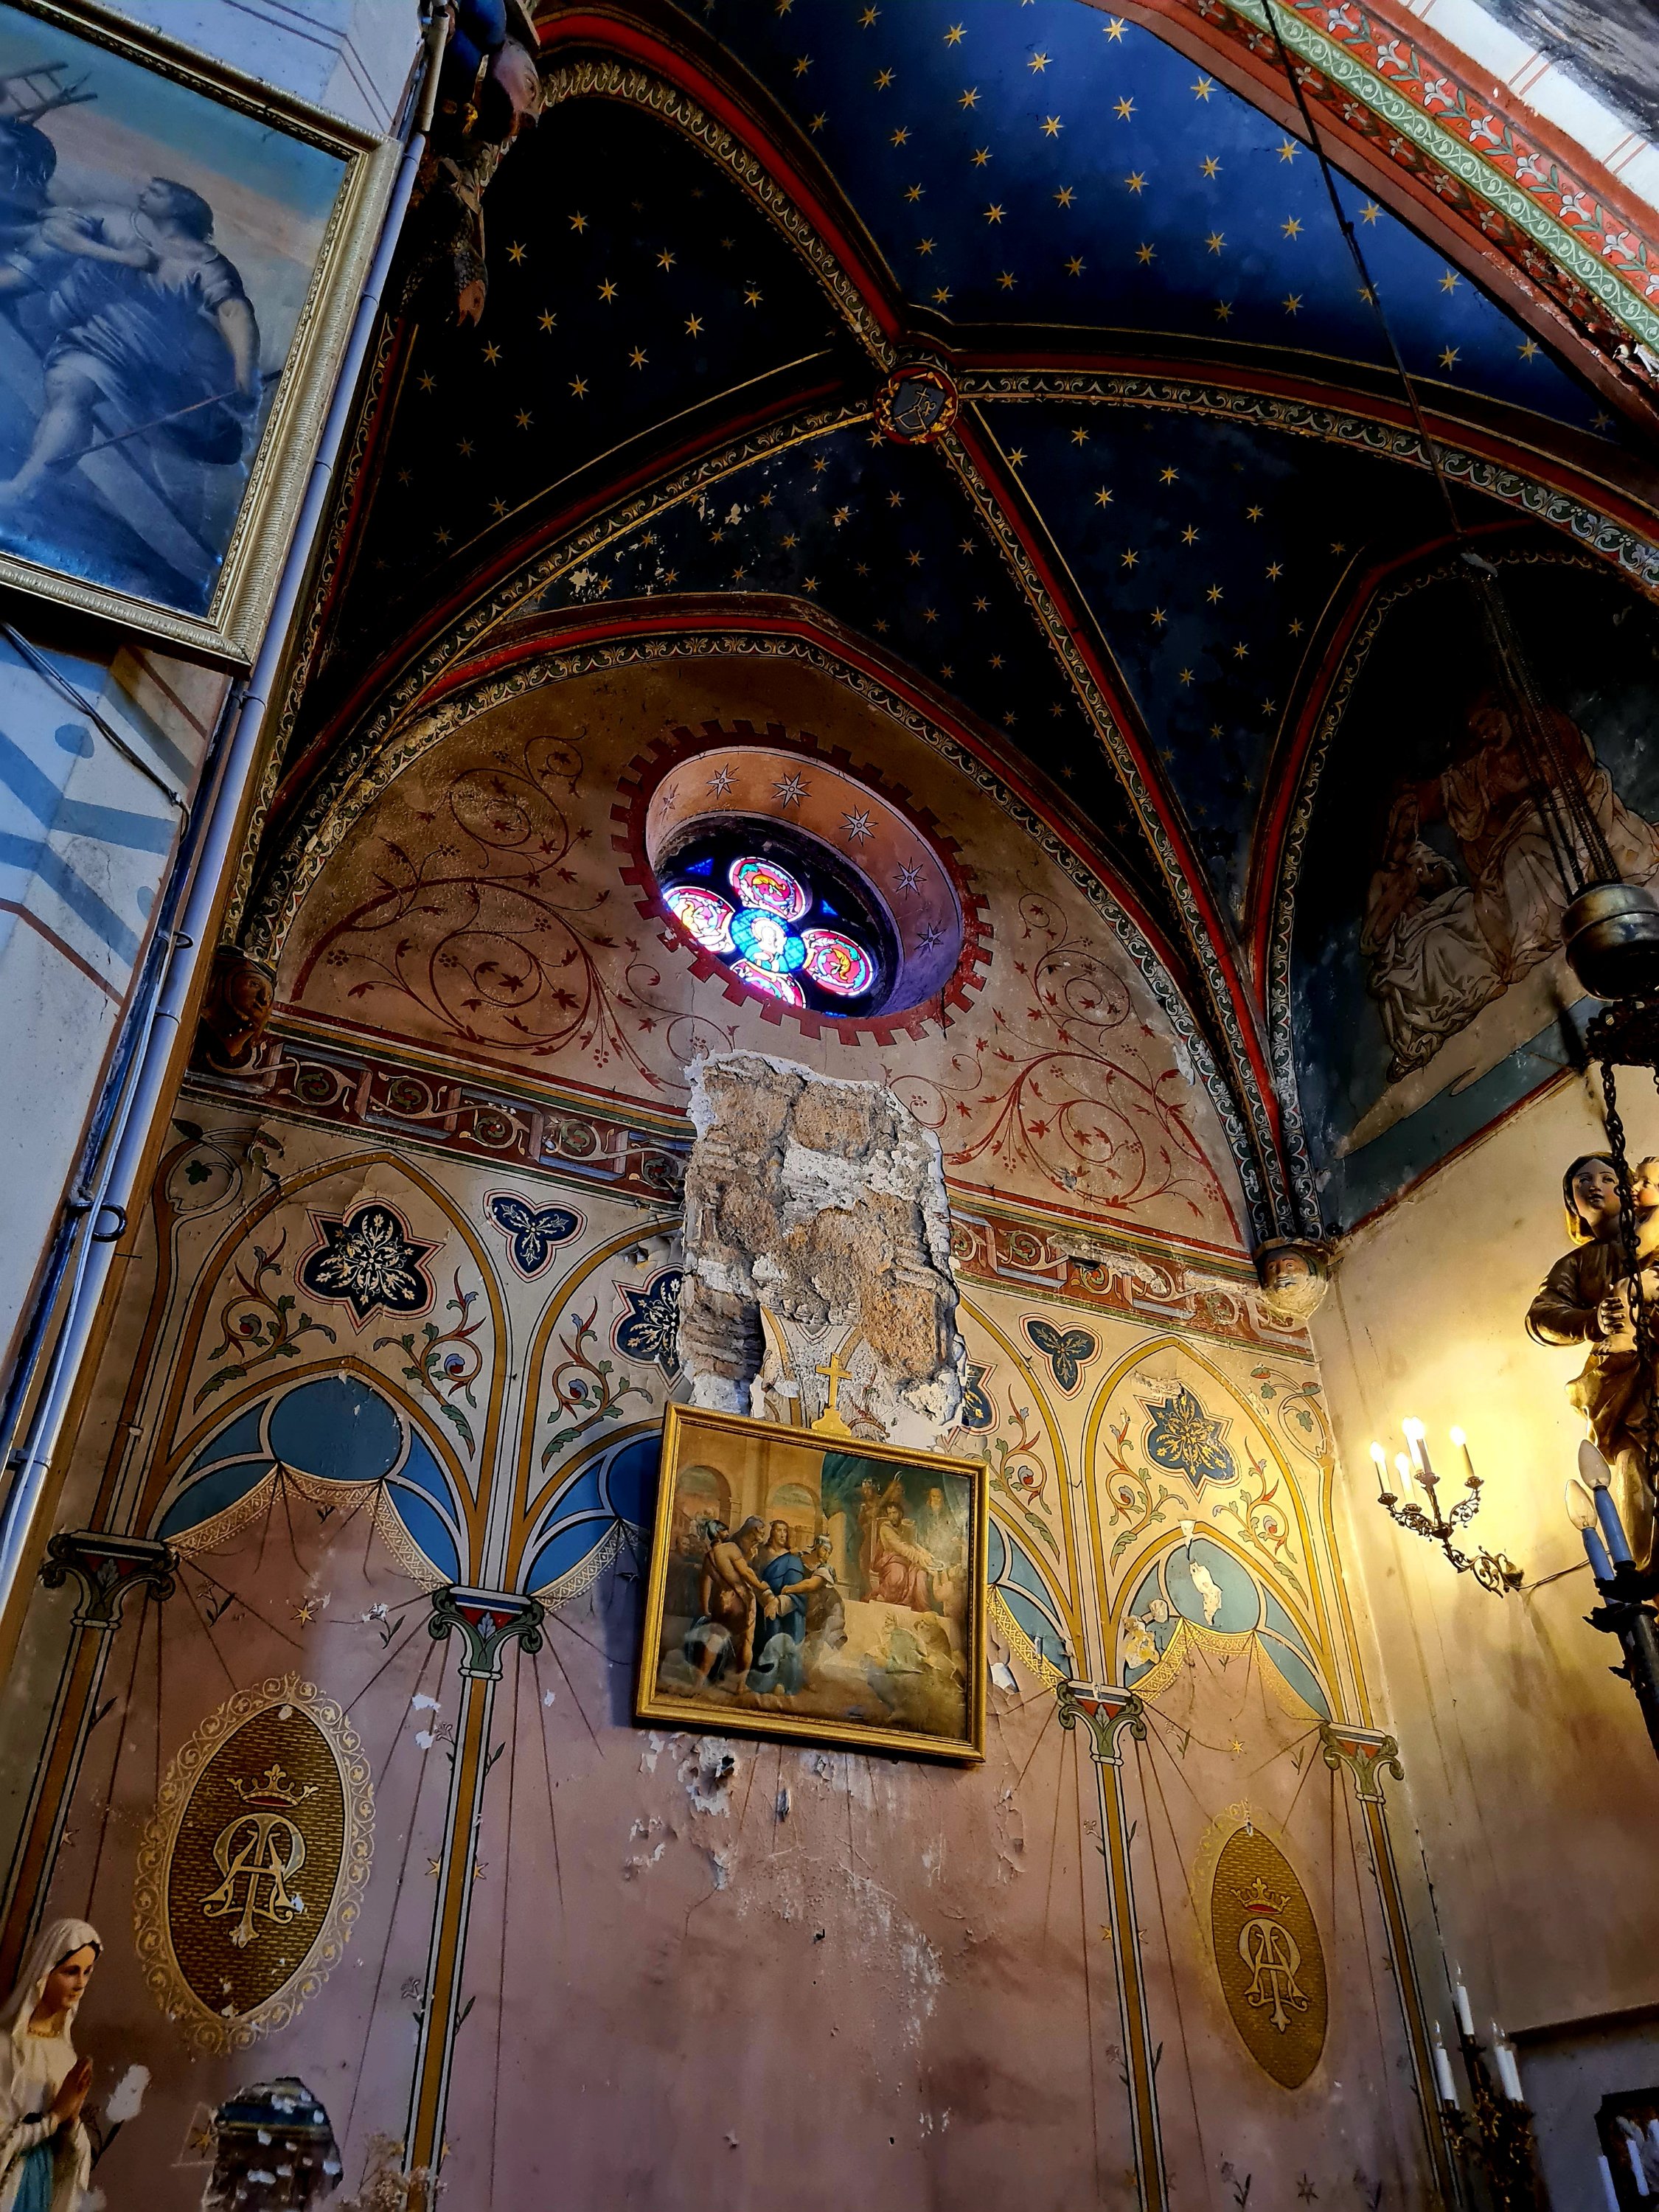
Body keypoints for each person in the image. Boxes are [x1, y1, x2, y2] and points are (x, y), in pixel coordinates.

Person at [0, 176, 261, 502]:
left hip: (152, 361)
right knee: (69, 390)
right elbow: (56, 233)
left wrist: (246, 372)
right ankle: (23, 488)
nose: (143, 191)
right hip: (93, 340)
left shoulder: (205, 264)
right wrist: (120, 257)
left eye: (157, 191)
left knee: (202, 430)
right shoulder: (114, 217)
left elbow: (234, 311)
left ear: (182, 207)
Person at [1527, 1155, 1658, 1569]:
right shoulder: (1577, 1264)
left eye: (1606, 1177)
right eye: (1582, 1182)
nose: (1594, 1186)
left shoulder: (1654, 1233)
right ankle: (1649, 1577)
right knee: (1633, 1465)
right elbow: (1542, 1317)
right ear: (1573, 1204)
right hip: (1619, 1378)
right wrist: (1592, 1321)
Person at [0, 1916, 99, 2212]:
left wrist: (71, 2122)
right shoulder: (6, 2048)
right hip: (11, 2186)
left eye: (88, 1972)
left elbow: (69, 2154)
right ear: (44, 1973)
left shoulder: (65, 2054)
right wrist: (54, 2118)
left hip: (42, 2180)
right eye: (71, 1972)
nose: (81, 1984)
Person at [680, 1517, 776, 1691]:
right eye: (724, 1530)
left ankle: (699, 1682)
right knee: (747, 1640)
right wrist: (761, 1585)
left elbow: (706, 1584)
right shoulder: (730, 1548)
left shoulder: (708, 1558)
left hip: (722, 1603)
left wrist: (706, 1609)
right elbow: (745, 1572)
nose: (728, 1532)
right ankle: (740, 1685)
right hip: (741, 1599)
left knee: (714, 1640)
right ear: (718, 1533)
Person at [869, 1500, 939, 1613]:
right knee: (898, 1576)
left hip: (906, 1560)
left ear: (901, 1513)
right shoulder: (885, 1528)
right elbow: (901, 1547)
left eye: (894, 1513)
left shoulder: (904, 1528)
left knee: (921, 1574)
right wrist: (921, 1559)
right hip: (891, 1560)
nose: (892, 1516)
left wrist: (926, 1554)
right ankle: (884, 1596)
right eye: (890, 1513)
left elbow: (913, 1544)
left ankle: (922, 1608)